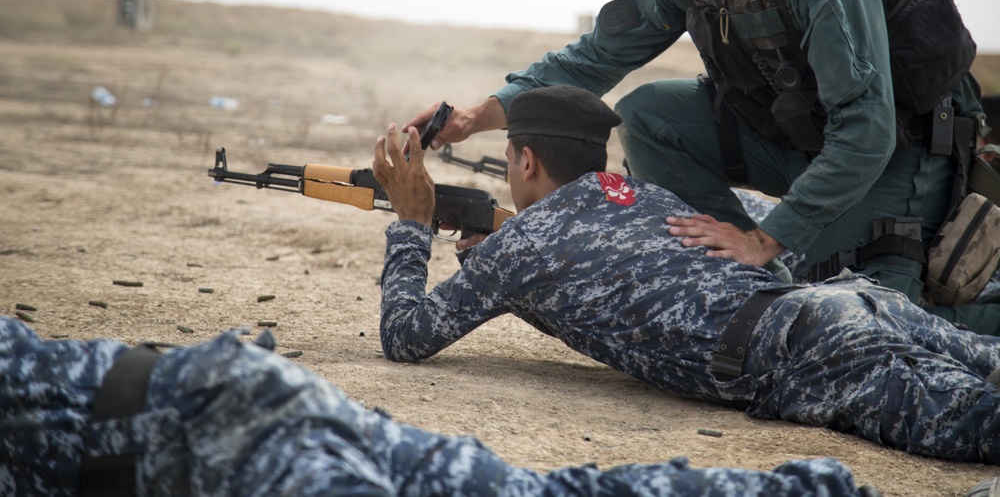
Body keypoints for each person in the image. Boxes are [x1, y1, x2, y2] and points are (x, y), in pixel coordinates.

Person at [403, 0, 997, 335]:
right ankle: (732, 269)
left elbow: (866, 130)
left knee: (873, 325)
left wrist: (767, 238)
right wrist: (478, 116)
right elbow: (594, 57)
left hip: (894, 153)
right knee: (649, 113)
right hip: (798, 140)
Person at [375, 84, 1000, 466]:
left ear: (527, 159)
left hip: (806, 353)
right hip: (855, 305)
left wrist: (411, 222)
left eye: (510, 161)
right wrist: (489, 252)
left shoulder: (524, 249)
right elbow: (592, 282)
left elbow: (406, 335)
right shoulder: (649, 195)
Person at [0, 317, 881, 497]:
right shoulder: (625, 201)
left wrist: (411, 227)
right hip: (218, 402)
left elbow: (409, 333)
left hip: (200, 436)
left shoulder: (531, 236)